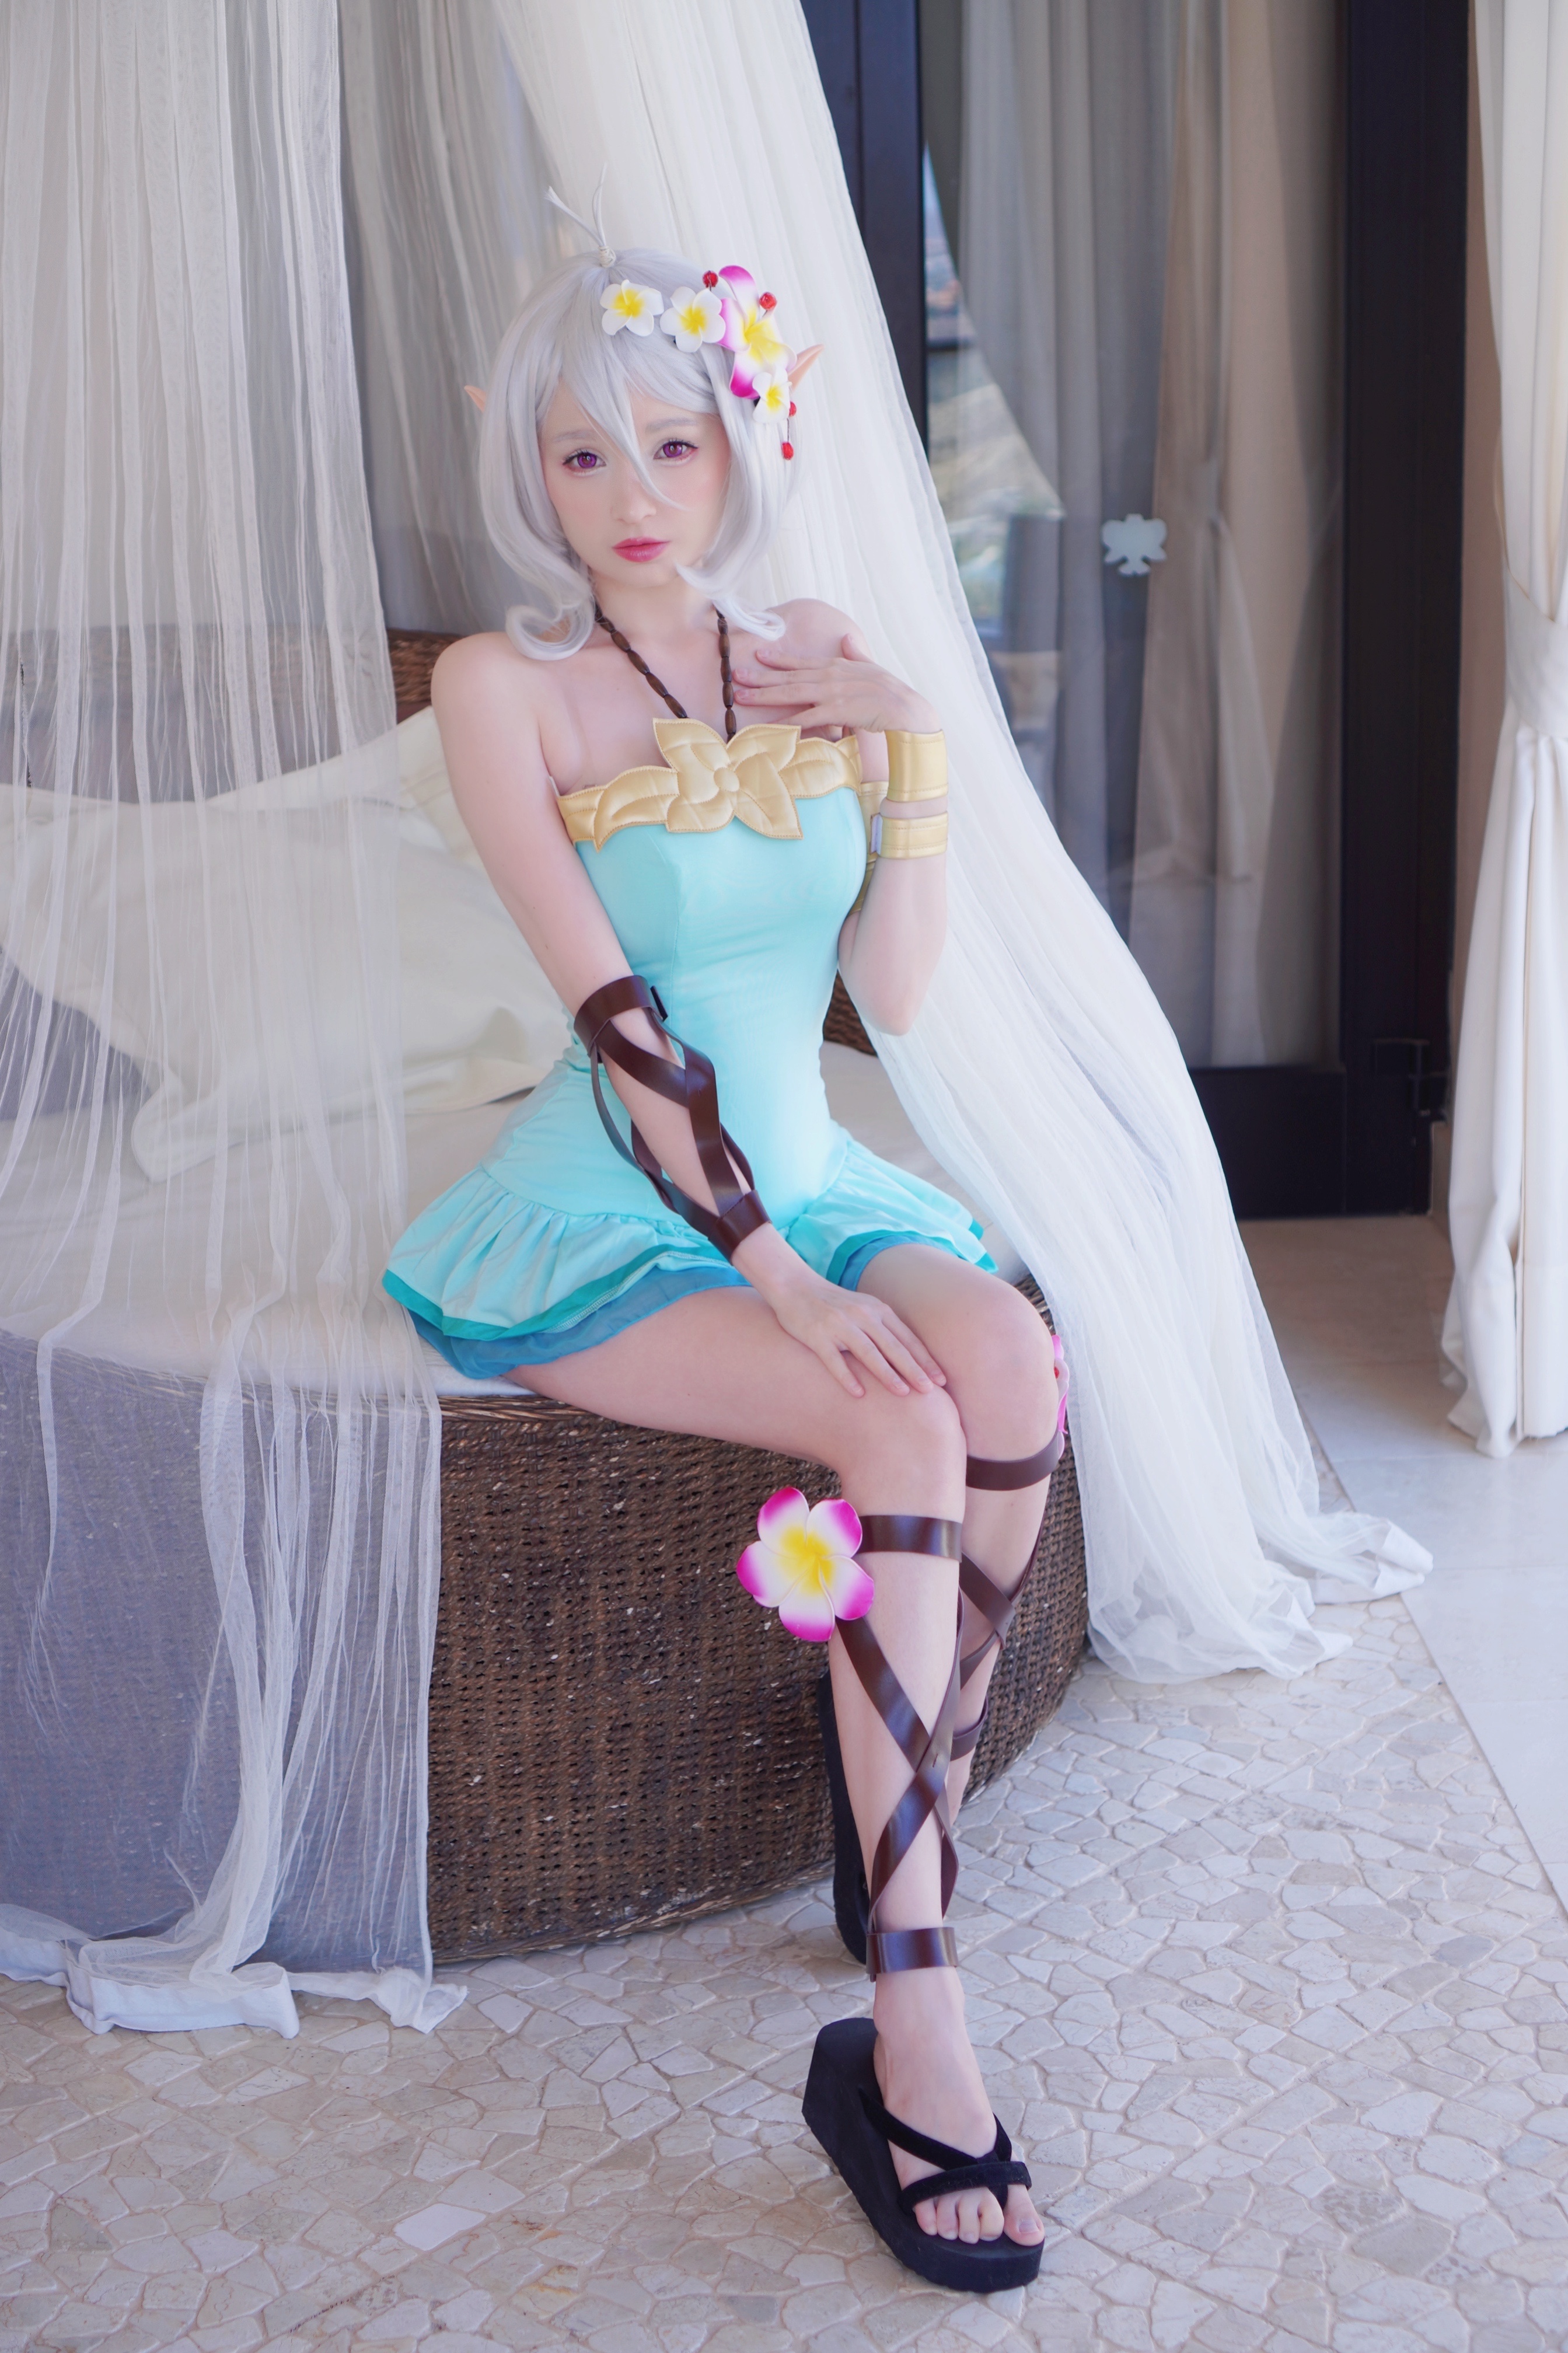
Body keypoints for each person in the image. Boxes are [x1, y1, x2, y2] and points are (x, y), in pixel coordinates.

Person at [383, 231, 1068, 2291]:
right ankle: (916, 2033)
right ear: (531, 470)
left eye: (671, 443)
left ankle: (899, 1829)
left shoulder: (810, 649)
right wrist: (777, 1272)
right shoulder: (501, 687)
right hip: (624, 1193)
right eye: (583, 453)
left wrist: (909, 747)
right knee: (905, 1422)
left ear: (739, 445)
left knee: (1015, 1369)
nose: (633, 493)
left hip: (814, 1165)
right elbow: (616, 1018)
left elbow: (893, 990)